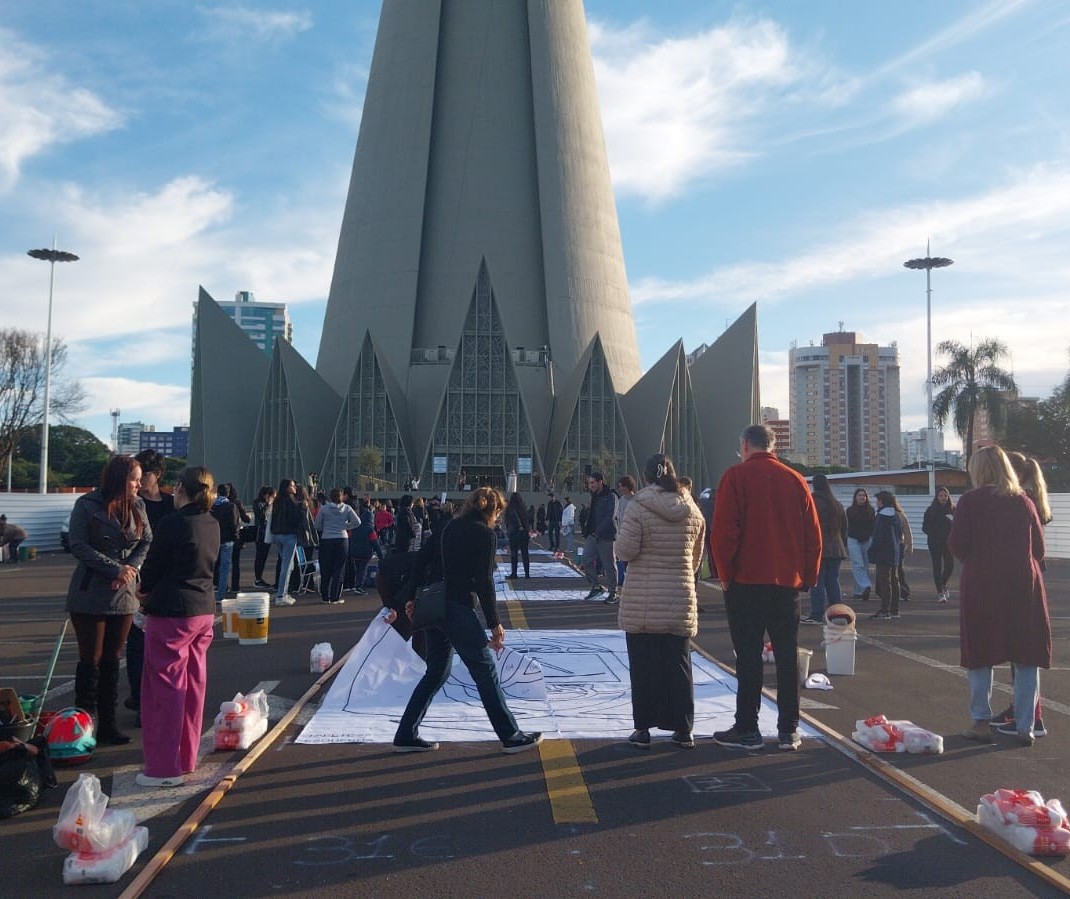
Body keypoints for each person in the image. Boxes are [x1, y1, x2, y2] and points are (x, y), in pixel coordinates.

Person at [393, 487, 542, 754]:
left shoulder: (448, 526)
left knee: (437, 671)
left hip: (435, 607)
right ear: (493, 510)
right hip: (459, 608)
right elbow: (484, 582)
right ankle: (510, 734)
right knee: (485, 671)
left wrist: (413, 595)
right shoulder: (485, 534)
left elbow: (421, 559)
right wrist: (494, 622)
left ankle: (405, 732)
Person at [711, 425, 821, 752]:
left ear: (745, 445)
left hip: (746, 581)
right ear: (773, 447)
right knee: (787, 656)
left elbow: (724, 533)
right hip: (786, 584)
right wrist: (808, 578)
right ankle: (789, 729)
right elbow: (813, 536)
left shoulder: (735, 477)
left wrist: (725, 576)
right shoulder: (796, 480)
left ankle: (748, 726)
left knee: (749, 657)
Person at [950, 446, 1050, 747]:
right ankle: (1025, 724)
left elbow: (957, 546)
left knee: (980, 653)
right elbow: (1040, 550)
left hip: (982, 584)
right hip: (1023, 584)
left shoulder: (970, 501)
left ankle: (980, 720)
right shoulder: (1023, 501)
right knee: (1026, 654)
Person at [136, 466, 220, 787]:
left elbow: (154, 567)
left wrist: (142, 591)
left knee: (164, 690)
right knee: (193, 684)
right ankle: (186, 757)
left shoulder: (173, 523)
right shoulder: (211, 522)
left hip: (171, 611)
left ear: (180, 490)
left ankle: (162, 768)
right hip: (202, 610)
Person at [616, 454, 705, 749]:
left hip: (644, 597)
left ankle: (643, 728)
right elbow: (695, 560)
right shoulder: (693, 509)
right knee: (679, 664)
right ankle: (683, 729)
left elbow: (626, 551)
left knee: (643, 666)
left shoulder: (639, 506)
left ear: (645, 477)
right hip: (680, 595)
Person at [65, 455, 152, 745]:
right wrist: (115, 569)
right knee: (91, 660)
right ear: (118, 479)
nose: (139, 484)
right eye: (134, 479)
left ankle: (108, 725)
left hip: (124, 593)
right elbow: (78, 545)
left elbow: (146, 540)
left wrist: (130, 570)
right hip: (90, 591)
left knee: (113, 660)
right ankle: (84, 727)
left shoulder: (138, 506)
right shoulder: (86, 505)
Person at [992, 452, 1053, 737]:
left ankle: (1031, 715)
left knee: (1024, 652)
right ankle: (1022, 708)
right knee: (1024, 652)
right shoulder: (1031, 497)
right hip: (1031, 573)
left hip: (1023, 575)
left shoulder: (1020, 500)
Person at [126, 449, 175, 720]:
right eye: (138, 473)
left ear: (158, 474)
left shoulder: (170, 503)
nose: (141, 478)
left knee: (162, 645)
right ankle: (139, 699)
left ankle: (159, 698)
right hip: (137, 579)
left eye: (146, 472)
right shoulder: (130, 502)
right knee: (137, 644)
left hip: (165, 580)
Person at [803, 474, 847, 624]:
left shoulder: (812, 502)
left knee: (817, 582)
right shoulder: (837, 504)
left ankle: (817, 614)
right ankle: (838, 613)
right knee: (833, 581)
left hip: (819, 547)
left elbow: (806, 525)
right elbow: (844, 528)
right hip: (836, 547)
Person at [314, 488, 360, 604]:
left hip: (326, 539)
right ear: (341, 497)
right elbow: (357, 522)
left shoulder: (324, 509)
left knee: (325, 568)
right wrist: (346, 527)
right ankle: (335, 597)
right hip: (342, 539)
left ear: (330, 497)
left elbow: (317, 525)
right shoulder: (347, 508)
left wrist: (326, 528)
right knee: (339, 569)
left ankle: (325, 597)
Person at [581, 471, 619, 604]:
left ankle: (613, 592)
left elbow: (610, 516)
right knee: (585, 559)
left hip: (606, 535)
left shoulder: (611, 496)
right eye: (589, 483)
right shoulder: (593, 496)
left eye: (592, 482)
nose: (590, 485)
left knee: (609, 565)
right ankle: (596, 586)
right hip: (592, 535)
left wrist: (598, 531)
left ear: (600, 482)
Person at [868, 491, 903, 620]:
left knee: (885, 581)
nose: (876, 503)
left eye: (877, 500)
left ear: (882, 501)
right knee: (894, 580)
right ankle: (894, 609)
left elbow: (877, 536)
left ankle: (885, 610)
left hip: (883, 552)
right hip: (894, 551)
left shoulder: (881, 517)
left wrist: (872, 550)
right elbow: (900, 534)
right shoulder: (895, 515)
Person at [270, 479, 301, 606]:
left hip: (277, 534)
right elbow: (295, 519)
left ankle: (283, 592)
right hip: (289, 535)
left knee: (287, 564)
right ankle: (281, 595)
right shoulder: (291, 502)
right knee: (287, 566)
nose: (295, 488)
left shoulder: (277, 501)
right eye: (293, 486)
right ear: (288, 488)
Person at [922, 487, 955, 603]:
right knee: (937, 567)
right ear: (937, 497)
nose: (943, 498)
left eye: (945, 495)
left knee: (950, 566)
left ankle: (943, 583)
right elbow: (925, 527)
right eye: (940, 496)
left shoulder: (953, 510)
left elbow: (958, 526)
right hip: (935, 543)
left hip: (948, 543)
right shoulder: (931, 510)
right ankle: (940, 592)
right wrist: (935, 534)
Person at [210, 484, 240, 602]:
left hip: (214, 539)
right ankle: (220, 594)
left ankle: (210, 590)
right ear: (228, 493)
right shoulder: (231, 506)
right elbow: (234, 524)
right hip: (227, 540)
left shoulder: (212, 506)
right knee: (224, 567)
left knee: (211, 566)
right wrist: (236, 537)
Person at [845, 488, 875, 600]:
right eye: (859, 495)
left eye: (864, 495)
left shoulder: (871, 510)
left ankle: (859, 591)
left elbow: (872, 526)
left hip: (866, 540)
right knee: (858, 564)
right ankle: (865, 585)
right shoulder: (850, 510)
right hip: (853, 539)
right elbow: (847, 526)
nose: (862, 497)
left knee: (865, 565)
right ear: (855, 497)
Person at [252, 485, 276, 588]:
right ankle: (257, 578)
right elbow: (261, 515)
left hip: (268, 531)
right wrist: (268, 504)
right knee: (260, 556)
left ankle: (259, 577)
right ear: (267, 495)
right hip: (260, 532)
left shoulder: (270, 503)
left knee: (264, 556)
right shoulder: (258, 503)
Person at [615, 476, 637, 588]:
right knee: (622, 557)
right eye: (620, 487)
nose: (621, 489)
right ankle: (623, 578)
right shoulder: (621, 500)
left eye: (623, 486)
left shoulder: (636, 499)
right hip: (622, 531)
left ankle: (631, 579)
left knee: (631, 558)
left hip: (633, 532)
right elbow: (617, 516)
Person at [505, 492, 531, 579]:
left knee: (514, 554)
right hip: (524, 533)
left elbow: (509, 519)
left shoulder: (510, 508)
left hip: (514, 533)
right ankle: (527, 573)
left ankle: (514, 573)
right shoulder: (523, 507)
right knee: (525, 553)